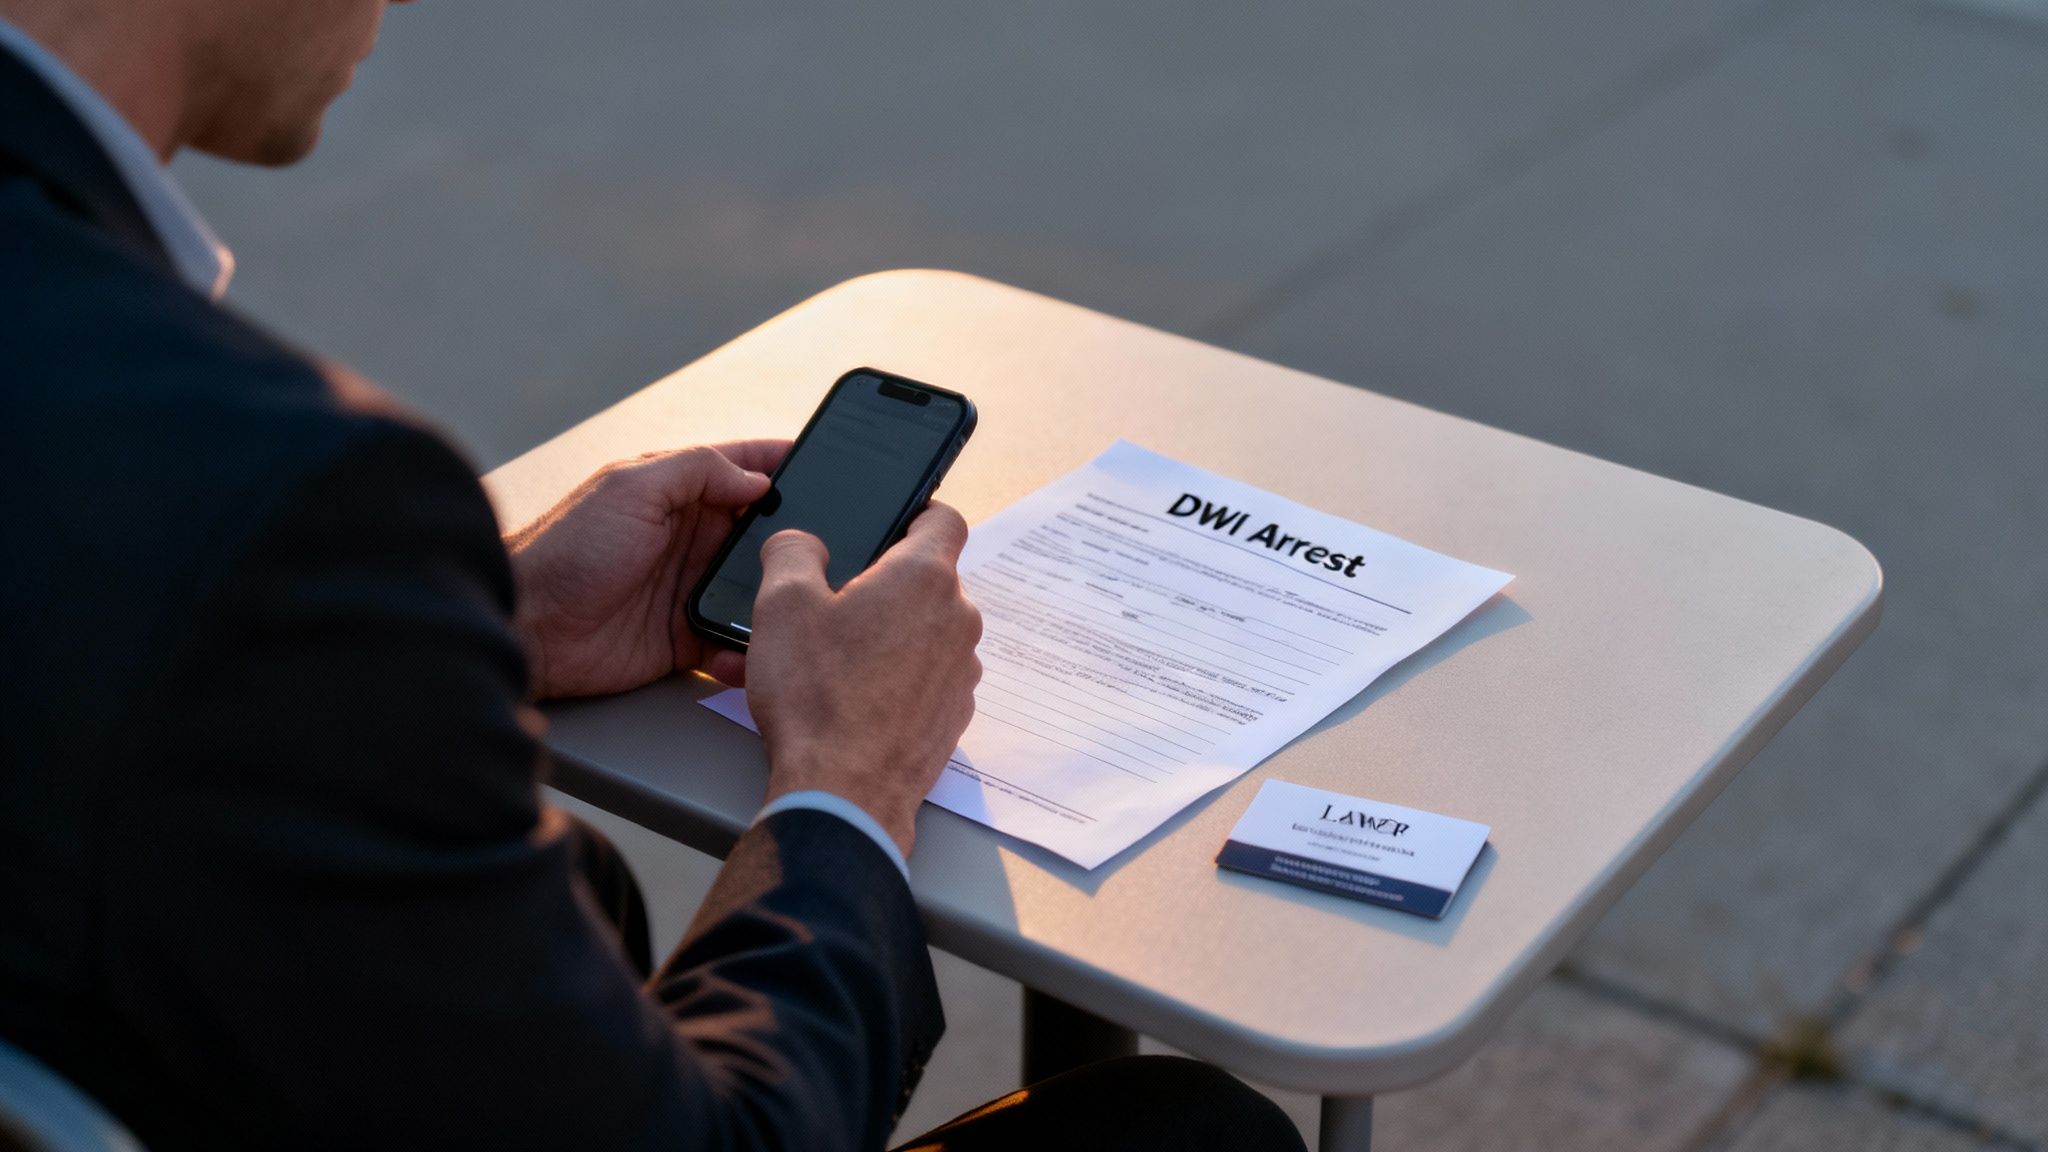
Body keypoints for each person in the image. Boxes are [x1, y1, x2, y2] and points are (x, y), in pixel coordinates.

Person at [0, 1, 1309, 1150]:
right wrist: (848, 780)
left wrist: (492, 629)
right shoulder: (274, 489)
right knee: (1197, 1134)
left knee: (584, 885)